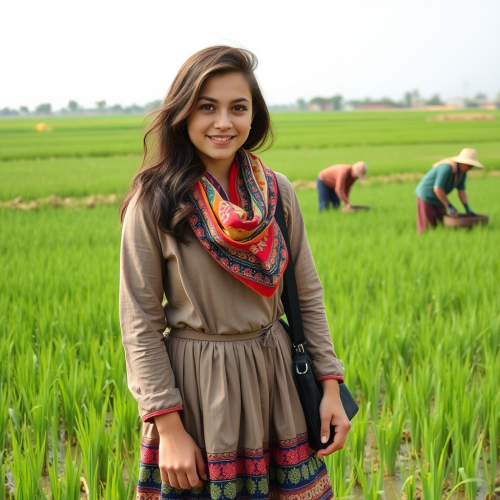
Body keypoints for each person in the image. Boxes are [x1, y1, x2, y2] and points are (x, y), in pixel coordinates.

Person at [119, 46, 350, 500]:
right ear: (183, 113)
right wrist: (169, 428)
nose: (223, 122)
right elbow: (140, 324)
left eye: (237, 108)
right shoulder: (155, 201)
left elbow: (306, 295)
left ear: (253, 116)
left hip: (276, 380)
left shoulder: (276, 192)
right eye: (207, 107)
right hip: (200, 388)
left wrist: (329, 387)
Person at [414, 148, 484, 233]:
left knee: (442, 223)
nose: (470, 168)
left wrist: (467, 207)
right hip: (426, 195)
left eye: (472, 166)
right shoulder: (447, 168)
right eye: (469, 165)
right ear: (463, 162)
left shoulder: (462, 173)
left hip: (439, 198)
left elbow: (461, 190)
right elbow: (438, 189)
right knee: (427, 226)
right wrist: (449, 206)